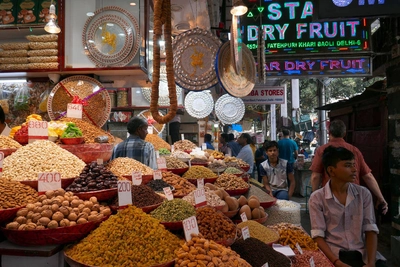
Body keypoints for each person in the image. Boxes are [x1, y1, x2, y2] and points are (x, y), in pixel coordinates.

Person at [309, 146, 387, 267]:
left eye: (353, 165)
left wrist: (371, 263)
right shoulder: (317, 198)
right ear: (331, 170)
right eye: (347, 165)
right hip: (334, 254)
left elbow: (370, 229)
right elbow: (318, 236)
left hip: (361, 253)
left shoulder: (363, 194)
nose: (354, 169)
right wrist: (337, 262)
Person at [309, 120, 388, 214]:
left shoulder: (322, 150)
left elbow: (315, 176)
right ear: (344, 133)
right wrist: (381, 198)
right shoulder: (354, 150)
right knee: (354, 225)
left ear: (329, 132)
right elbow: (368, 176)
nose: (354, 170)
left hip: (330, 198)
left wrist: (315, 198)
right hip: (353, 198)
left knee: (330, 226)